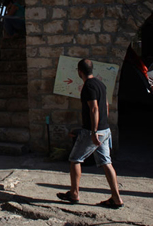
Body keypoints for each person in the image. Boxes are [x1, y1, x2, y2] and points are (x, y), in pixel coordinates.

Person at [57, 59, 123, 209]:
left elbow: (94, 108)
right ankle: (116, 198)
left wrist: (94, 131)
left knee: (75, 159)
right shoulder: (101, 84)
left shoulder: (88, 86)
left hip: (93, 132)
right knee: (106, 163)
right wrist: (103, 125)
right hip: (105, 130)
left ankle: (74, 194)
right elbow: (105, 105)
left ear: (79, 71)